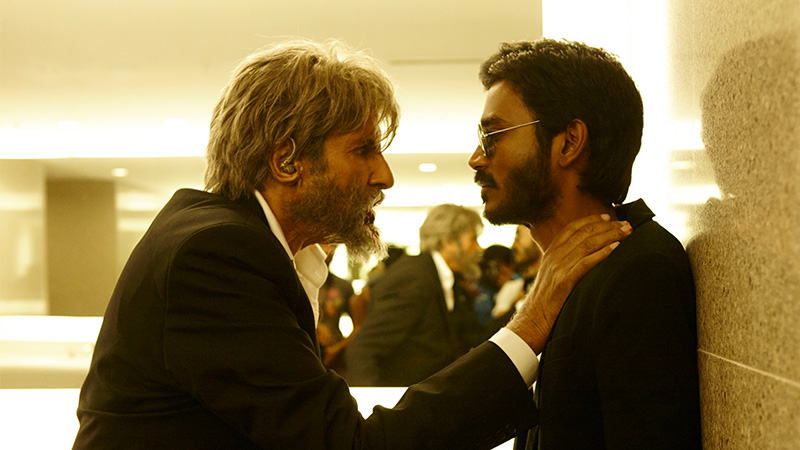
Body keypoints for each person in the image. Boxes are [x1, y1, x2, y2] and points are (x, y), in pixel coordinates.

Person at [72, 38, 631, 449]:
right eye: (363, 149)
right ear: (287, 161)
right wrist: (530, 323)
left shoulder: (229, 241)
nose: (384, 176)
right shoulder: (216, 256)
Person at [468, 39, 701, 449]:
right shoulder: (574, 271)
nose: (476, 158)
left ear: (570, 142)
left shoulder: (638, 271)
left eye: (492, 135)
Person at [346, 204, 488, 386]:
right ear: (448, 242)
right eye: (473, 240)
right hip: (403, 398)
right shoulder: (414, 279)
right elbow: (363, 349)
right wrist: (381, 401)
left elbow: (472, 337)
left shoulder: (445, 281)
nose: (479, 249)